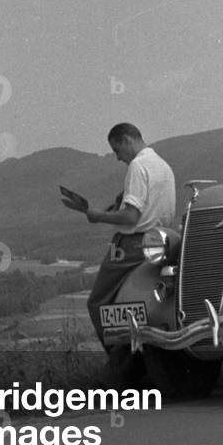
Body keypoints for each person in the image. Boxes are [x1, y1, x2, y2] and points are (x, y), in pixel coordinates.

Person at [63, 123, 175, 348]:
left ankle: (118, 361)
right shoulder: (162, 165)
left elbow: (131, 217)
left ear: (126, 140)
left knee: (99, 303)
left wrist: (98, 216)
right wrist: (114, 206)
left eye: (117, 150)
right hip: (162, 242)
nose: (117, 158)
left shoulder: (137, 166)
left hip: (133, 246)